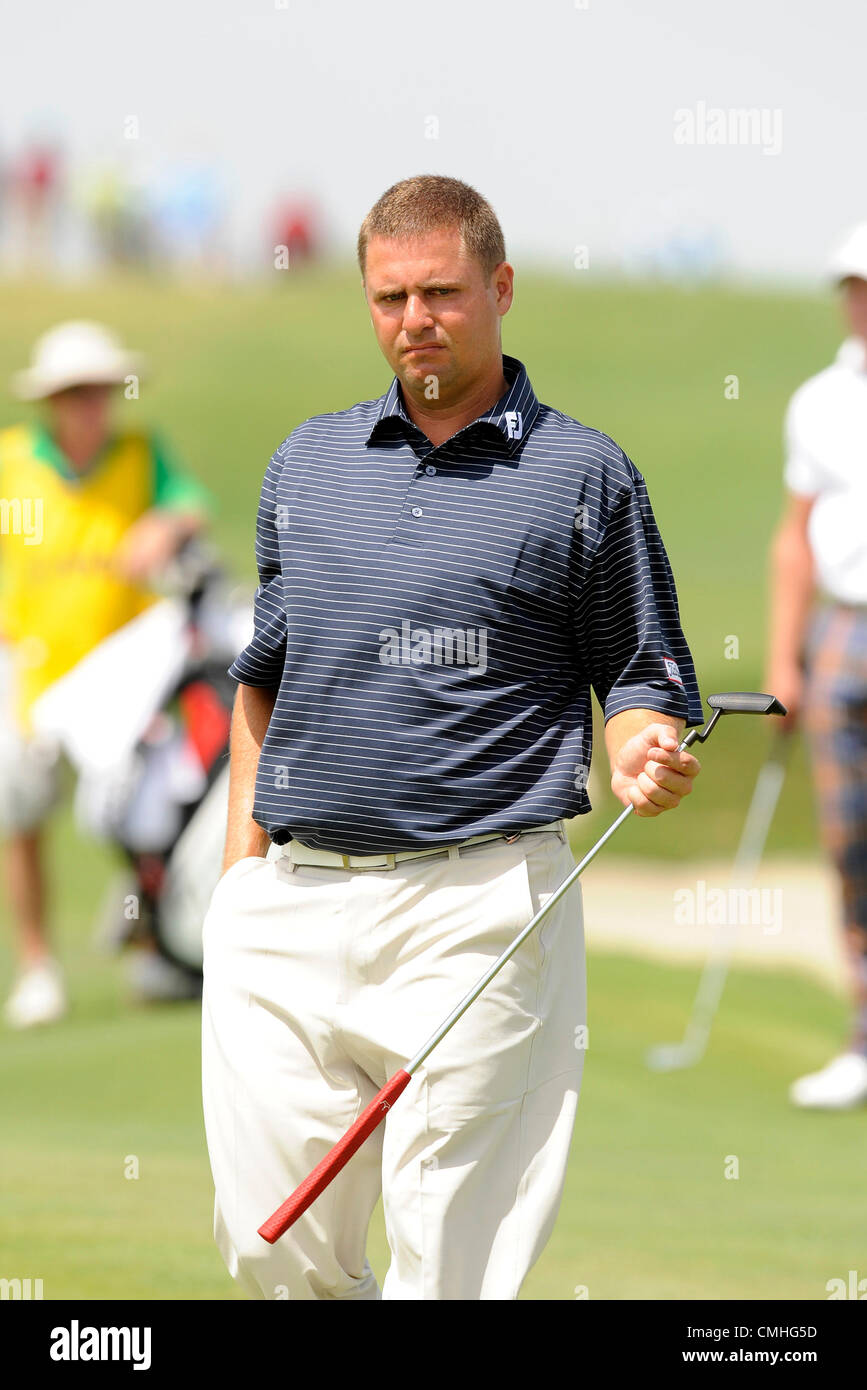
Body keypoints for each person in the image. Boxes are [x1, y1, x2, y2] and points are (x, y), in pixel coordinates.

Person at [201, 175, 703, 1301]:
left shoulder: (584, 474)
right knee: (268, 1243)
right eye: (390, 297)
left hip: (480, 902)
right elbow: (262, 681)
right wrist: (240, 878)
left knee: (453, 1257)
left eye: (440, 291)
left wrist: (639, 749)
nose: (414, 318)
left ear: (501, 287)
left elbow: (640, 672)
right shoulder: (307, 463)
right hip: (288, 898)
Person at [0, 320, 214, 1027]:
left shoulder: (138, 453)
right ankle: (38, 965)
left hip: (120, 682)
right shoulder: (13, 464)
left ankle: (151, 940)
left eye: (98, 390)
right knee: (20, 815)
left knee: (143, 811)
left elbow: (189, 505)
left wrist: (166, 525)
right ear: (52, 400)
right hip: (29, 668)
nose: (90, 404)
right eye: (75, 393)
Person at [765, 223, 867, 1110]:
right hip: (843, 629)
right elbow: (793, 540)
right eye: (853, 284)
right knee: (851, 845)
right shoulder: (819, 400)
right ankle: (862, 1039)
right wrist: (780, 663)